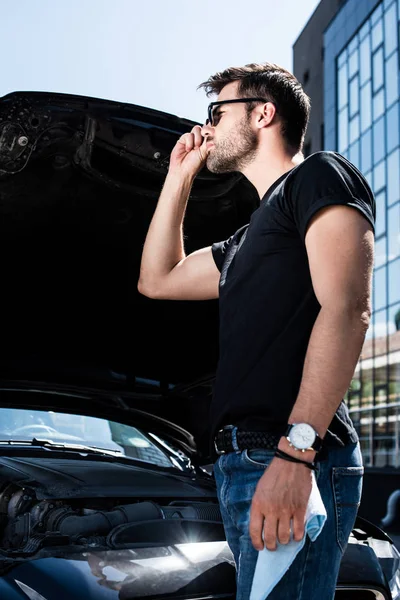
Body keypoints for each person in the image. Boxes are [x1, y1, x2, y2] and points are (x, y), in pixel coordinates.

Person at [137, 62, 375, 599]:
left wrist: (297, 454)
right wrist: (179, 176)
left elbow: (347, 309)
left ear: (263, 113)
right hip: (242, 459)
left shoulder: (319, 176)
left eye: (217, 112)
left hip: (290, 454)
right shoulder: (245, 240)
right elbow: (157, 279)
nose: (208, 128)